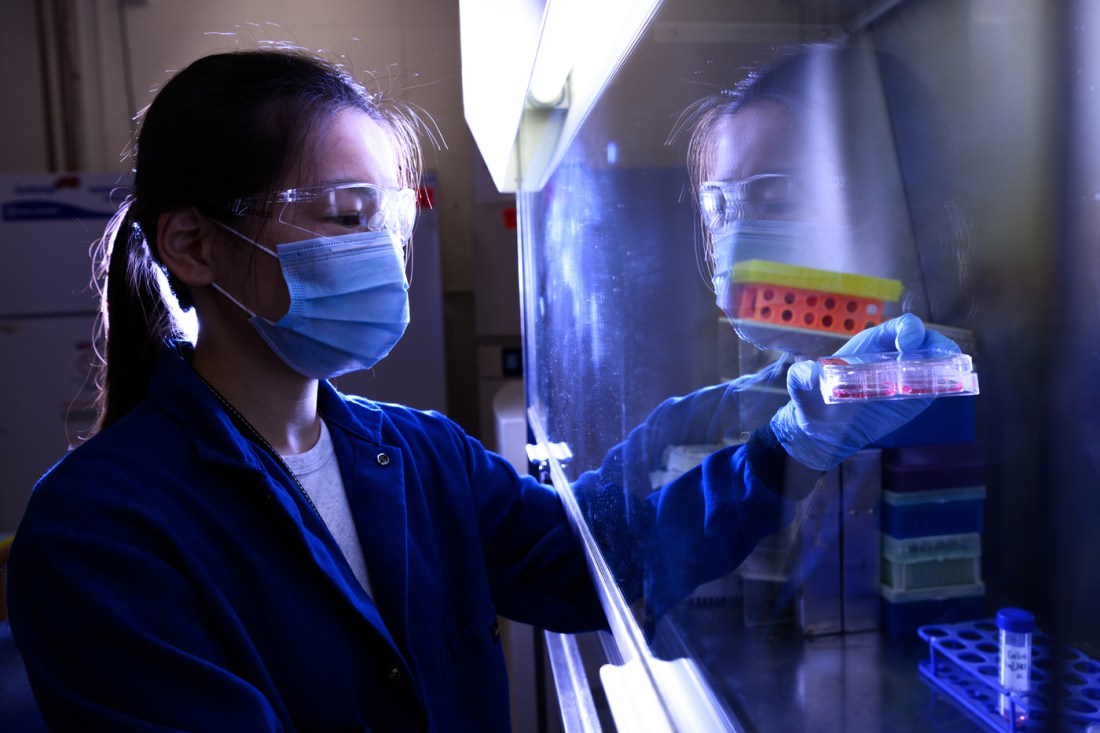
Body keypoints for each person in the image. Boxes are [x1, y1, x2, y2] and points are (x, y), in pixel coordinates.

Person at [6, 46, 954, 731]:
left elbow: (601, 564)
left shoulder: (419, 457)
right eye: (343, 217)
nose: (378, 254)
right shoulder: (98, 530)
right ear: (194, 244)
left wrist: (788, 442)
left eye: (385, 221)